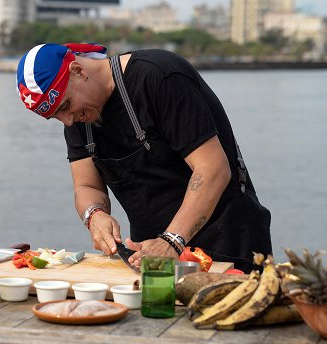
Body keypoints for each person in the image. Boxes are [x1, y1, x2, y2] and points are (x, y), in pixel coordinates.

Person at [16, 43, 272, 272]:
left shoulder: (159, 76)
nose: (68, 120)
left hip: (228, 243)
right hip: (152, 255)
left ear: (78, 71)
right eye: (56, 117)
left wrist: (172, 240)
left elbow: (213, 168)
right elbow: (86, 185)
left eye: (65, 106)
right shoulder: (78, 117)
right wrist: (94, 215)